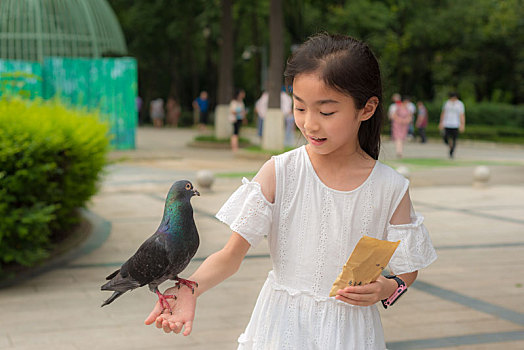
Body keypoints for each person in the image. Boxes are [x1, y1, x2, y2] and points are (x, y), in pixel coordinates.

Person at [145, 33, 437, 349]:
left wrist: (385, 288)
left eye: (326, 112)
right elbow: (230, 256)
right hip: (280, 328)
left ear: (366, 108)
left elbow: (408, 270)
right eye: (300, 108)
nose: (310, 125)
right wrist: (189, 290)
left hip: (351, 334)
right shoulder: (280, 172)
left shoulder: (391, 188)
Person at [439, 92, 465, 158]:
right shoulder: (447, 103)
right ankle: (450, 145)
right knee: (445, 137)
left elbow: (462, 115)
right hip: (447, 123)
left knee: (454, 139)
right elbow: (443, 113)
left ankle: (452, 152)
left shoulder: (460, 104)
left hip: (456, 124)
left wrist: (462, 124)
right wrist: (441, 122)